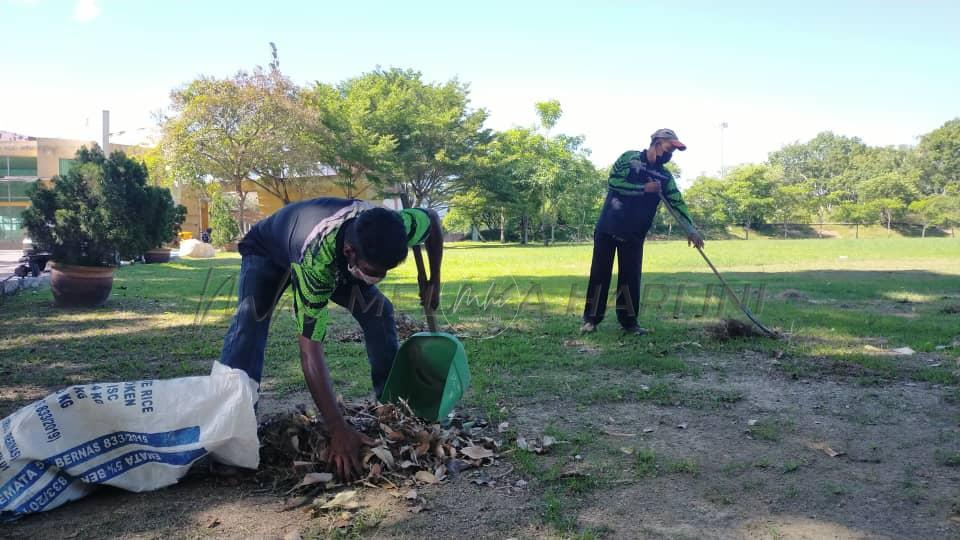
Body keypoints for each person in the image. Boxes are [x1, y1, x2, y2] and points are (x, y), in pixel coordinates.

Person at [213, 197, 443, 481]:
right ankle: (230, 438)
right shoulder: (316, 261)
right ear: (349, 252)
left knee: (379, 311)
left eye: (385, 272)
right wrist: (337, 429)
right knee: (250, 325)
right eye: (374, 273)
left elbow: (433, 220)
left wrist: (434, 280)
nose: (379, 278)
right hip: (268, 251)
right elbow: (310, 350)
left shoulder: (396, 225)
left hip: (334, 255)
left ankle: (393, 410)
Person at [581, 128, 704, 335]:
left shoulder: (665, 177)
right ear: (657, 142)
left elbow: (676, 202)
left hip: (634, 234)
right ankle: (591, 321)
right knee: (599, 275)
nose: (671, 154)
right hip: (608, 228)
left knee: (630, 279)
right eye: (669, 148)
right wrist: (643, 189)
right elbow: (614, 181)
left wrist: (690, 229)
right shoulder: (629, 158)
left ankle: (629, 323)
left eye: (674, 151)